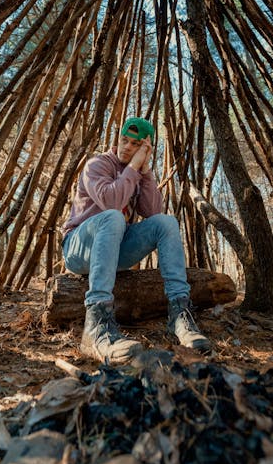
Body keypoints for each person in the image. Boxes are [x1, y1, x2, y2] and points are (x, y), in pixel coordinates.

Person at [61, 116, 210, 363]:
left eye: (135, 144)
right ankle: (96, 323)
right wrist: (133, 168)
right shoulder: (97, 164)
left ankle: (179, 313)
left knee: (167, 222)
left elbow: (153, 212)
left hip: (114, 251)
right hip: (78, 248)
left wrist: (146, 171)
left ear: (144, 148)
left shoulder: (138, 172)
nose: (126, 147)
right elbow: (112, 202)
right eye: (124, 140)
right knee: (113, 217)